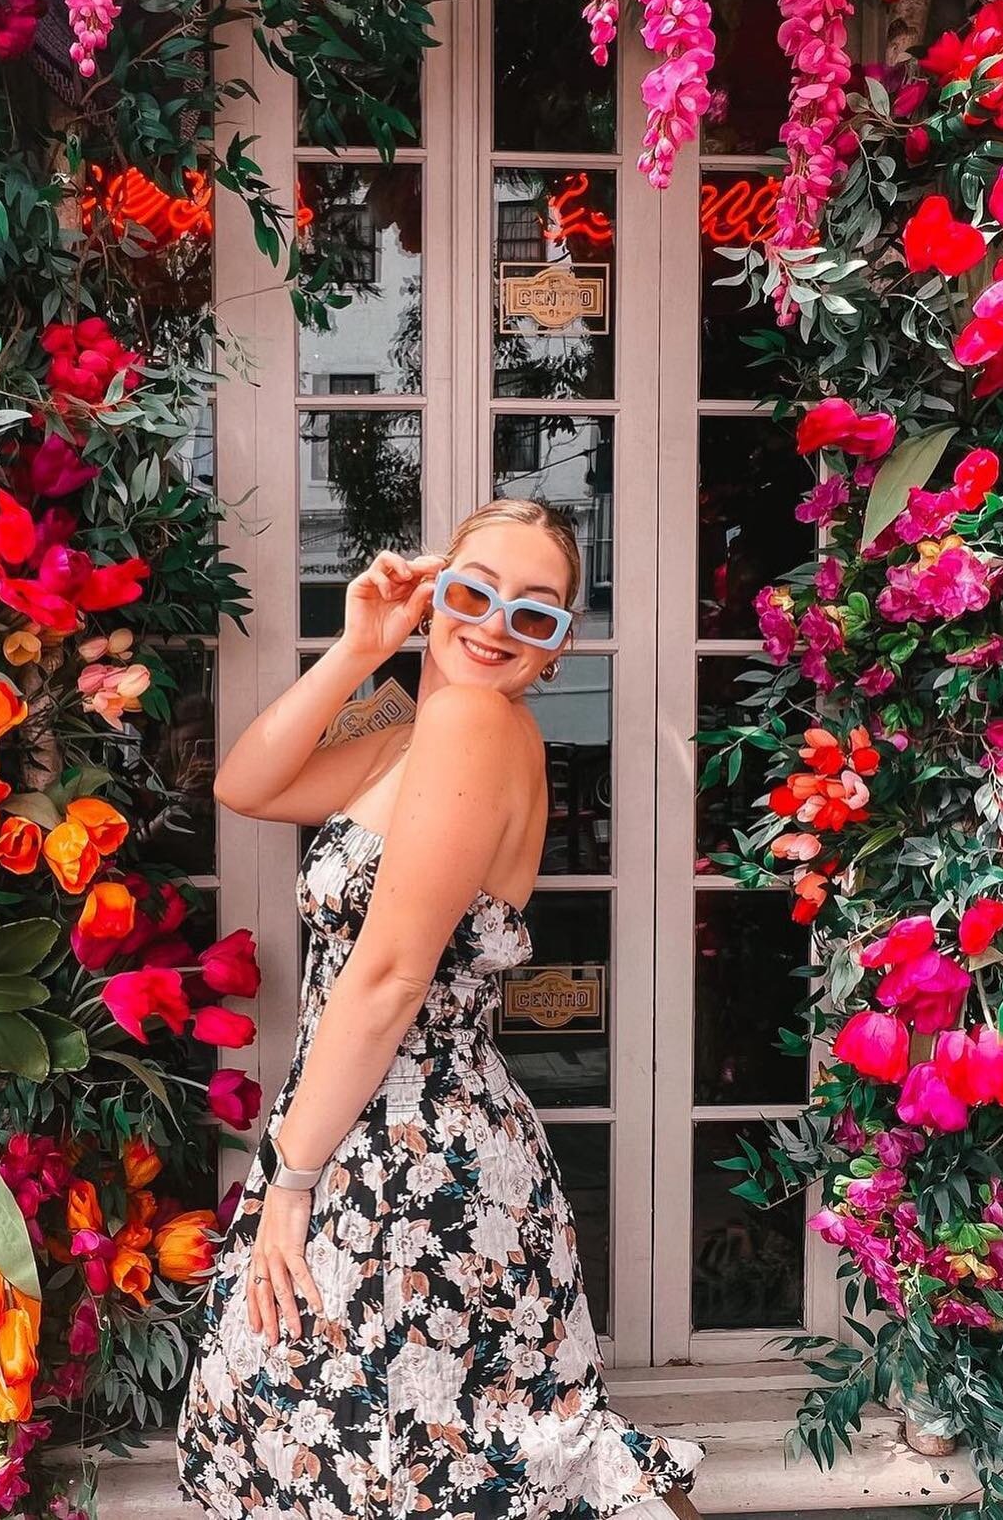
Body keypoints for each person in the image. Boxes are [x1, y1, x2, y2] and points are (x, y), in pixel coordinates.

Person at [177, 498, 705, 1519]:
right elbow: (244, 785)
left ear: (556, 650)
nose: (495, 625)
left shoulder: (473, 724)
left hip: (409, 1159)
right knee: (388, 1457)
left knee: (367, 1458)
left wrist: (288, 1182)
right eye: (472, 592)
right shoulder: (413, 733)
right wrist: (357, 645)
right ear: (432, 595)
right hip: (380, 1137)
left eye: (535, 614)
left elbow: (387, 980)